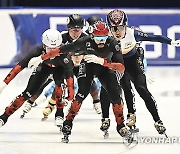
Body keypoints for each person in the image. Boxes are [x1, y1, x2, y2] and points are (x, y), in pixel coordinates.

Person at [30, 21, 133, 143]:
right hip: (88, 67)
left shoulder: (113, 43)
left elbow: (121, 67)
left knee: (115, 95)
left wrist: (102, 62)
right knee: (82, 93)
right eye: (98, 38)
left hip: (105, 68)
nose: (101, 42)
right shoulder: (85, 40)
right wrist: (41, 58)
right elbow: (61, 50)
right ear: (92, 36)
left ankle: (120, 125)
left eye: (104, 38)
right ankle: (67, 123)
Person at [101, 9, 180, 136]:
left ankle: (157, 120)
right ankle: (124, 115)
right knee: (121, 88)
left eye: (120, 27)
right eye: (113, 28)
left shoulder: (133, 34)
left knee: (142, 89)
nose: (117, 32)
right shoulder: (105, 37)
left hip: (133, 63)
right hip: (118, 63)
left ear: (125, 25)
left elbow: (155, 38)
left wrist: (171, 42)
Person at [21, 14, 102, 124]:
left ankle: (96, 102)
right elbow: (50, 50)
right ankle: (30, 102)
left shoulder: (87, 38)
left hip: (78, 65)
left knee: (89, 81)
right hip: (64, 65)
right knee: (46, 81)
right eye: (73, 30)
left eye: (79, 30)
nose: (76, 33)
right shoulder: (61, 37)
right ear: (68, 28)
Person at [0, 28, 74, 127]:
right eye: (49, 49)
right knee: (27, 93)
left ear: (60, 46)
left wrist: (71, 93)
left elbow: (69, 75)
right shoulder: (37, 51)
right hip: (44, 68)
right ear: (43, 46)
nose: (52, 52)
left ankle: (59, 113)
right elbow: (19, 66)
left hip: (59, 69)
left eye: (56, 48)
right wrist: (4, 84)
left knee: (59, 86)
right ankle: (4, 117)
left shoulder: (64, 56)